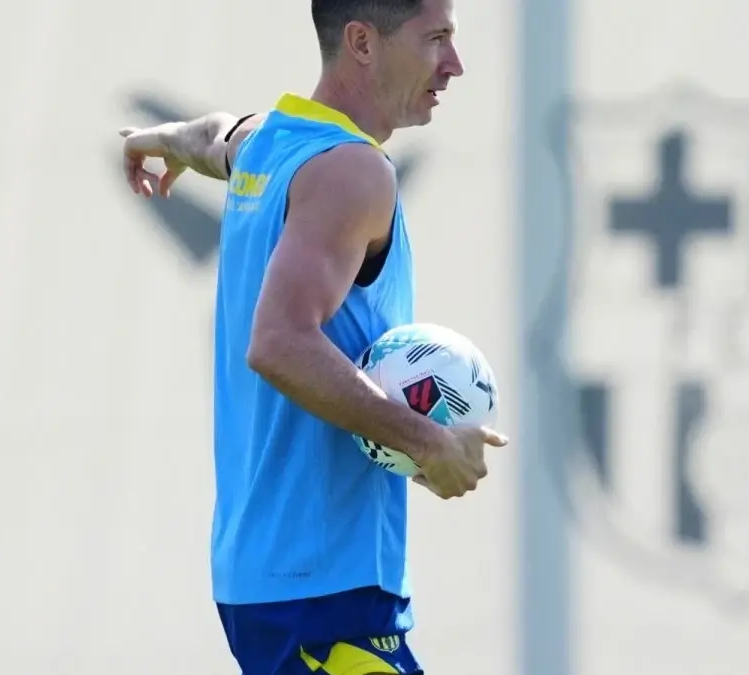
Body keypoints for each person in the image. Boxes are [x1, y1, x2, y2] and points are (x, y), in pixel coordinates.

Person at [118, 1, 508, 674]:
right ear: (362, 42)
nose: (454, 64)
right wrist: (428, 443)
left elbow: (214, 137)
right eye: (436, 38)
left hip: (284, 581)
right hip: (321, 592)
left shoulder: (270, 141)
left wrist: (160, 139)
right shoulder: (353, 172)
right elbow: (279, 342)